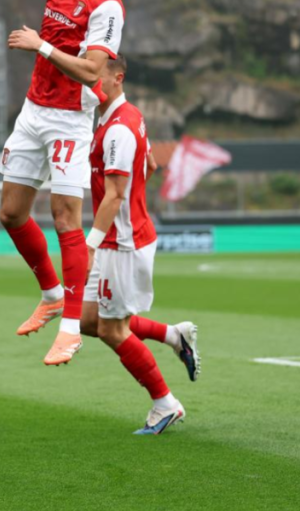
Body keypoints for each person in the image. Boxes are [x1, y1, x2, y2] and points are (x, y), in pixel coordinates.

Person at [0, 0, 125, 365]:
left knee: (65, 219)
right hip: (33, 111)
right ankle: (52, 294)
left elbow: (94, 72)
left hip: (70, 119)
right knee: (10, 214)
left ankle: (71, 326)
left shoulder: (106, 5)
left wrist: (42, 47)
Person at [80, 56, 198, 435]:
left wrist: (91, 245)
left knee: (112, 330)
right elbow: (148, 165)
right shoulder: (122, 117)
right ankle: (172, 335)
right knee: (88, 321)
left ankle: (164, 403)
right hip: (120, 236)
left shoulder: (118, 128)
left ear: (117, 78)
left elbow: (114, 195)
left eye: (94, 75)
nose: (87, 80)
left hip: (121, 244)